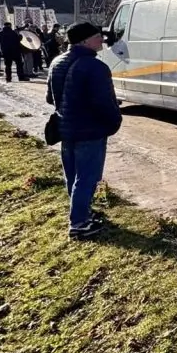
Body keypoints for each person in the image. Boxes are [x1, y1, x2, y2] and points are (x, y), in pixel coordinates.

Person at [46, 22, 122, 240]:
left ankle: (82, 213)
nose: (102, 40)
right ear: (85, 40)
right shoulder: (95, 67)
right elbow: (104, 102)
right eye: (98, 36)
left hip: (65, 128)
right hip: (90, 130)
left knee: (73, 176)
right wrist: (114, 121)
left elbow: (50, 98)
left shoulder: (57, 62)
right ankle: (79, 223)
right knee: (87, 177)